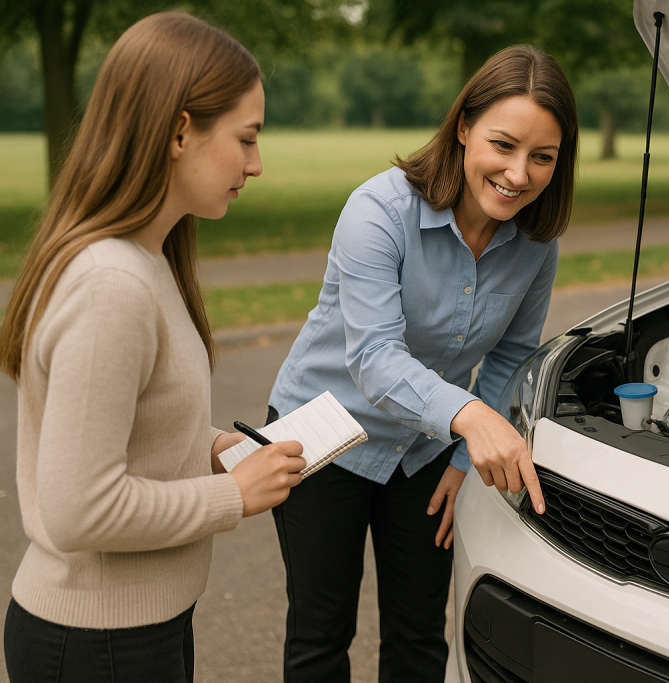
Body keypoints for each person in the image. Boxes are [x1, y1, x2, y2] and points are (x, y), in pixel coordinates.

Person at [0, 12, 306, 683]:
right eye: (246, 139)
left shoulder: (147, 258)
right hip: (96, 645)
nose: (256, 164)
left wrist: (210, 446)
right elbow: (82, 506)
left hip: (134, 629)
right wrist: (232, 494)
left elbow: (117, 425)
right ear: (178, 131)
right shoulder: (111, 284)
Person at [267, 44, 579, 682]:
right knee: (320, 636)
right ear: (463, 128)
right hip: (322, 438)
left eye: (542, 157)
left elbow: (513, 356)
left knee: (419, 638)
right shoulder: (377, 210)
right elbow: (376, 359)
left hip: (425, 448)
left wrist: (464, 457)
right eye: (503, 144)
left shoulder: (536, 244)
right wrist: (471, 419)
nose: (519, 174)